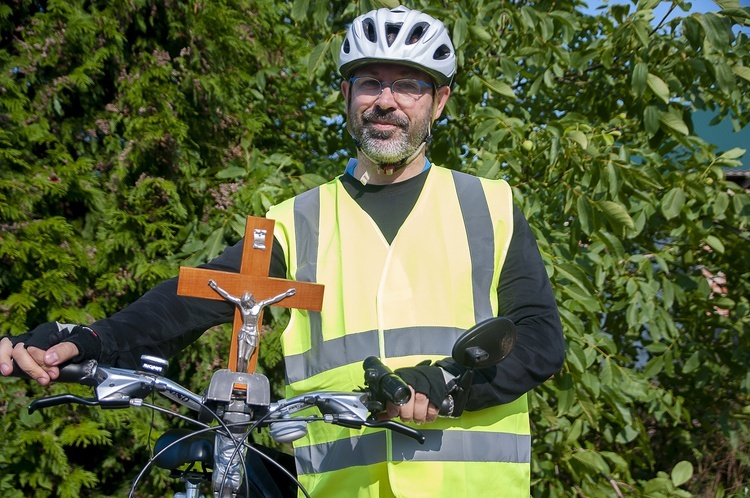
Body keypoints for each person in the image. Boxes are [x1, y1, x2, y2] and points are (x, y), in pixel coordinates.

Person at [1, 6, 565, 497]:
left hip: (465, 489)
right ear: (345, 95)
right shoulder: (296, 220)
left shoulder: (488, 206)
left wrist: (446, 383)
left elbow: (539, 338)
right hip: (337, 489)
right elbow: (193, 297)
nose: (386, 101)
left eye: (410, 85)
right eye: (369, 82)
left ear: (439, 102)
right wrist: (92, 338)